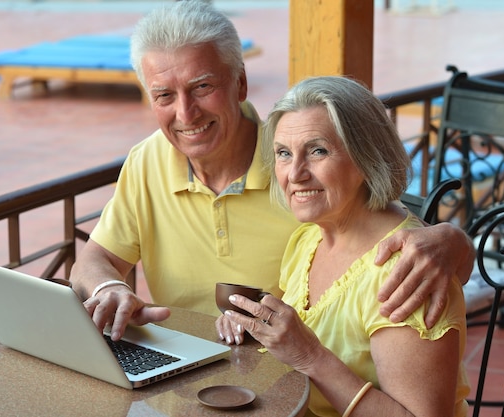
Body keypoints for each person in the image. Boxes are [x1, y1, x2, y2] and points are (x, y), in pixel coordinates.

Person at [70, 0, 474, 343]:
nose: (185, 113)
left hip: (286, 382)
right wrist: (110, 287)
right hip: (183, 377)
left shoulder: (297, 167)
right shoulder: (147, 161)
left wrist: (454, 241)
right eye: (164, 96)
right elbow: (92, 260)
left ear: (240, 84)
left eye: (202, 87)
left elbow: (382, 229)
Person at [220, 76, 469, 417]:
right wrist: (257, 334)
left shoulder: (407, 268)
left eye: (318, 150)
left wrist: (310, 356)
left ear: (367, 157)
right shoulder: (308, 240)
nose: (295, 174)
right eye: (283, 153)